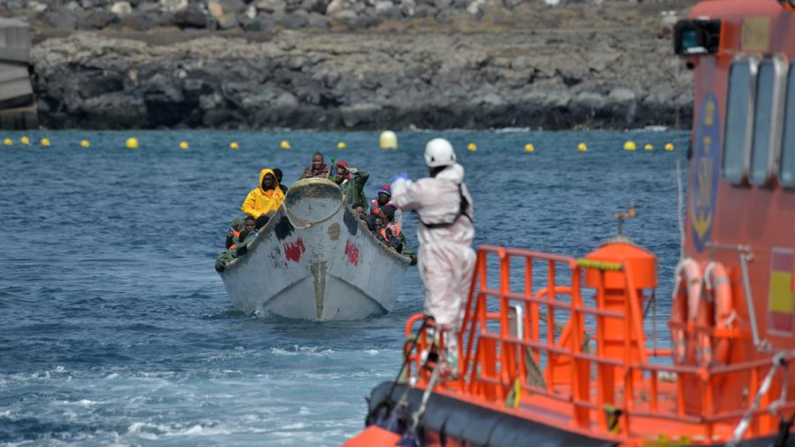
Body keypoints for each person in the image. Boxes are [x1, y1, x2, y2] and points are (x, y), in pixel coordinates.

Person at [391, 138, 475, 367]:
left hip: (438, 252)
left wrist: (400, 182)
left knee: (438, 306)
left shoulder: (426, 187)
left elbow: (400, 200)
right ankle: (455, 354)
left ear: (429, 162)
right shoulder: (461, 189)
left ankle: (441, 359)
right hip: (465, 254)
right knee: (458, 306)